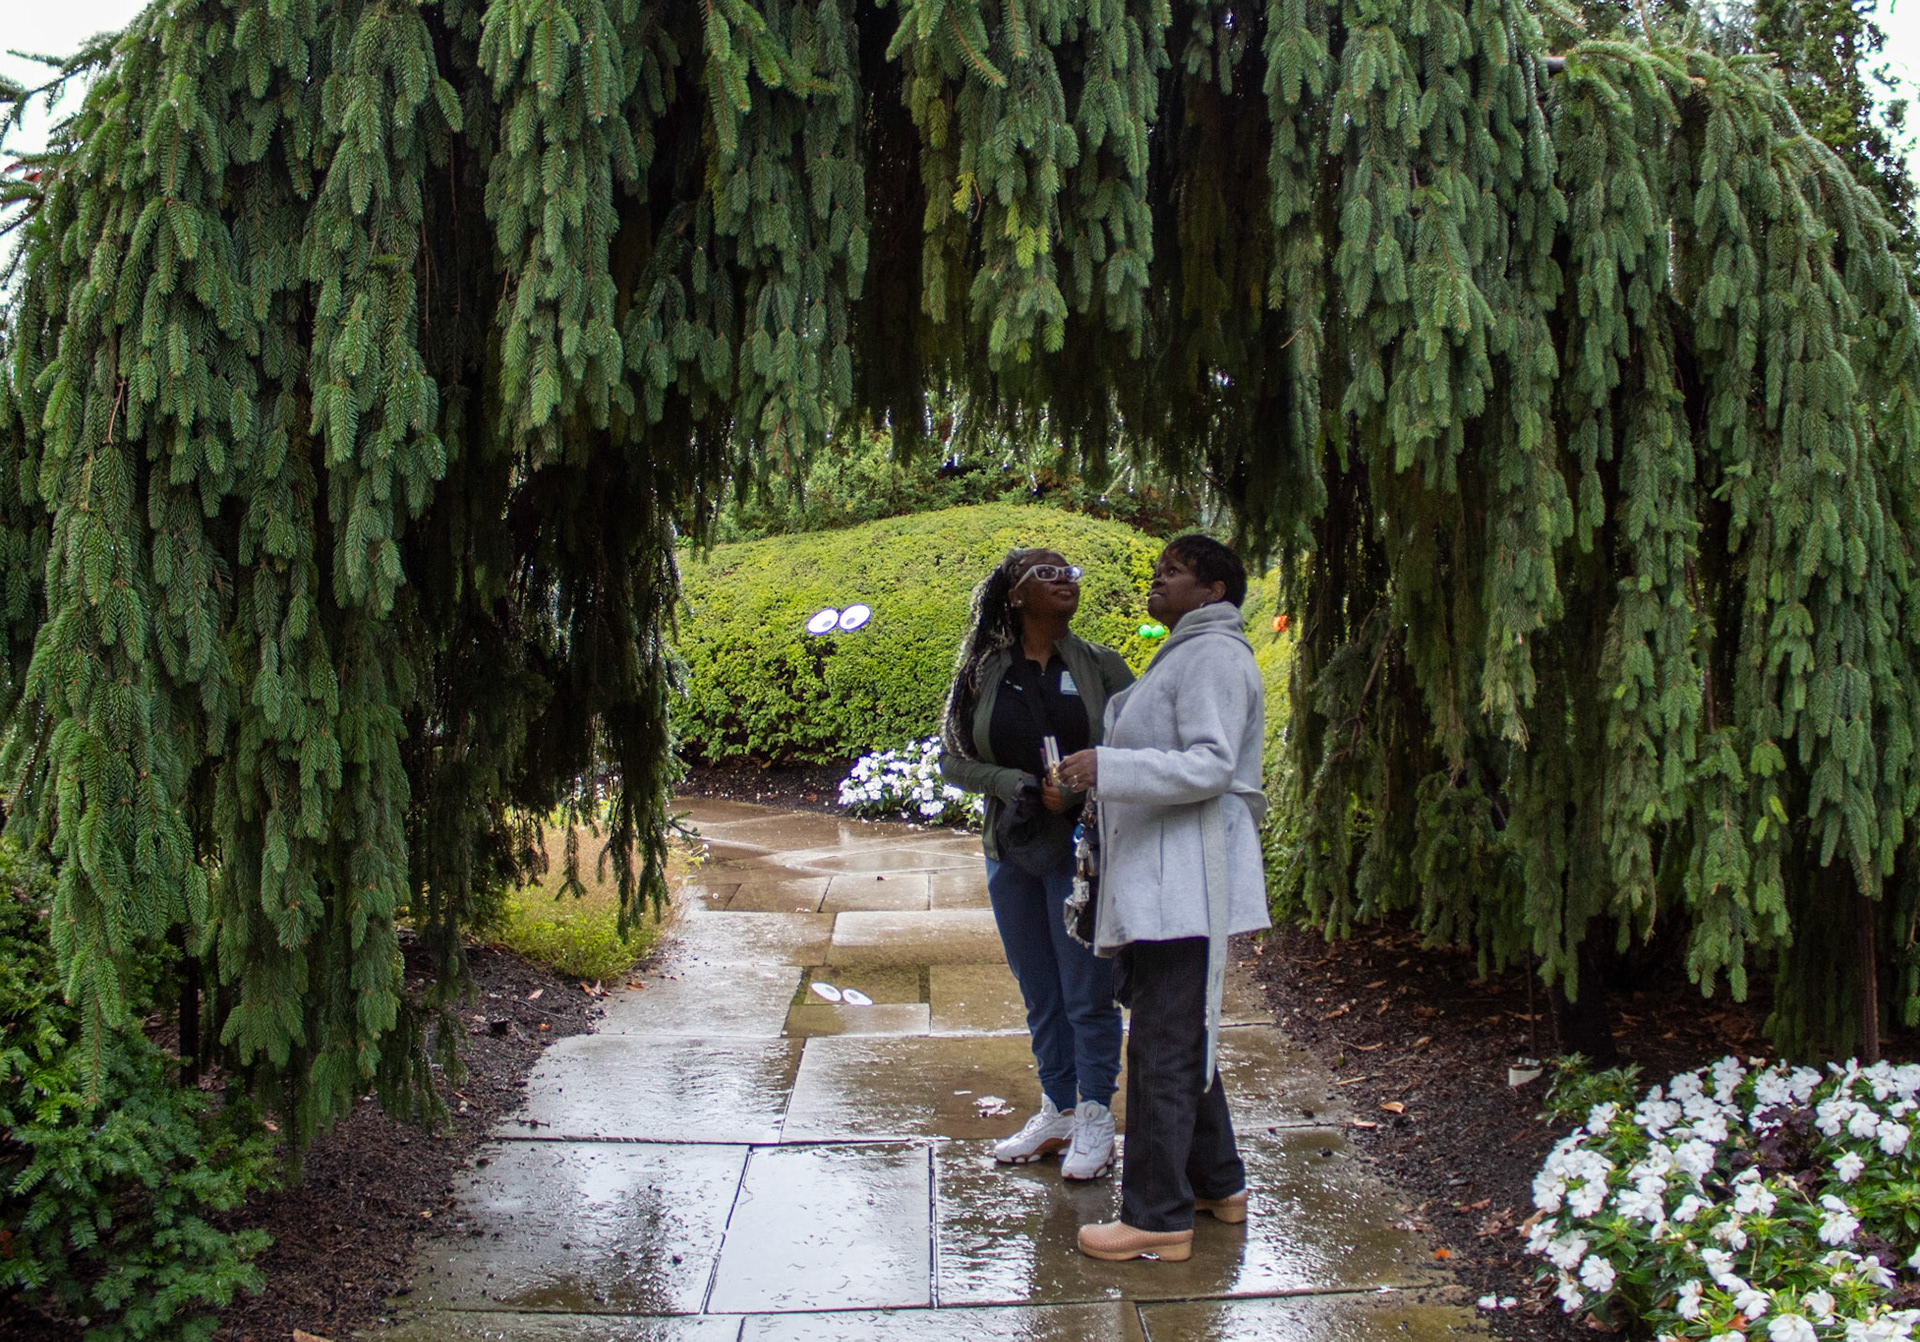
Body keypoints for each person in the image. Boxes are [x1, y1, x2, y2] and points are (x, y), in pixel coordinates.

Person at [1054, 534, 1267, 1262]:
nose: (1158, 578)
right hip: (1169, 880)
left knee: (1160, 1050)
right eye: (1159, 569)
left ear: (1213, 591)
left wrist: (1107, 766)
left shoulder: (1212, 656)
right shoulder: (1187, 650)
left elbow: (1210, 764)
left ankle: (1157, 1217)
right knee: (1179, 1035)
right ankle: (1218, 1184)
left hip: (1188, 884)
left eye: (1174, 572)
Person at [940, 548, 1135, 1180]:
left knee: (1088, 993)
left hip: (1084, 853)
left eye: (1070, 572)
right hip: (1014, 851)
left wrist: (1080, 785)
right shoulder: (986, 671)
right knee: (1040, 992)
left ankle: (1096, 1117)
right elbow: (953, 759)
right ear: (1016, 596)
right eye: (1047, 574)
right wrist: (1007, 781)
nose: (1065, 581)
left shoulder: (1102, 666)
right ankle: (1057, 1107)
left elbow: (1138, 751)